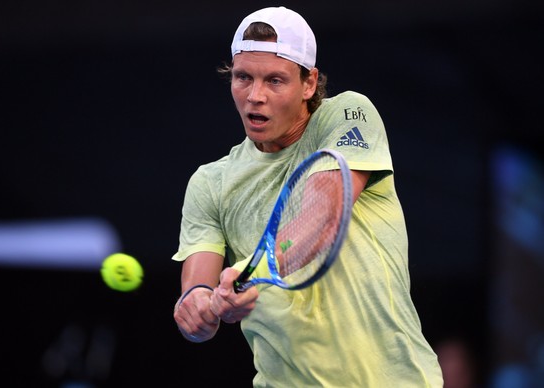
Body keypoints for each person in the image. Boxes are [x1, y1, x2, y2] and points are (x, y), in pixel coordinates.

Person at [172, 6, 444, 387]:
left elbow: (322, 215)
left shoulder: (349, 115)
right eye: (242, 77)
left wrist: (251, 275)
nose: (255, 96)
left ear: (309, 83)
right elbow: (197, 290)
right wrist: (200, 309)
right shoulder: (210, 183)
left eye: (275, 81)